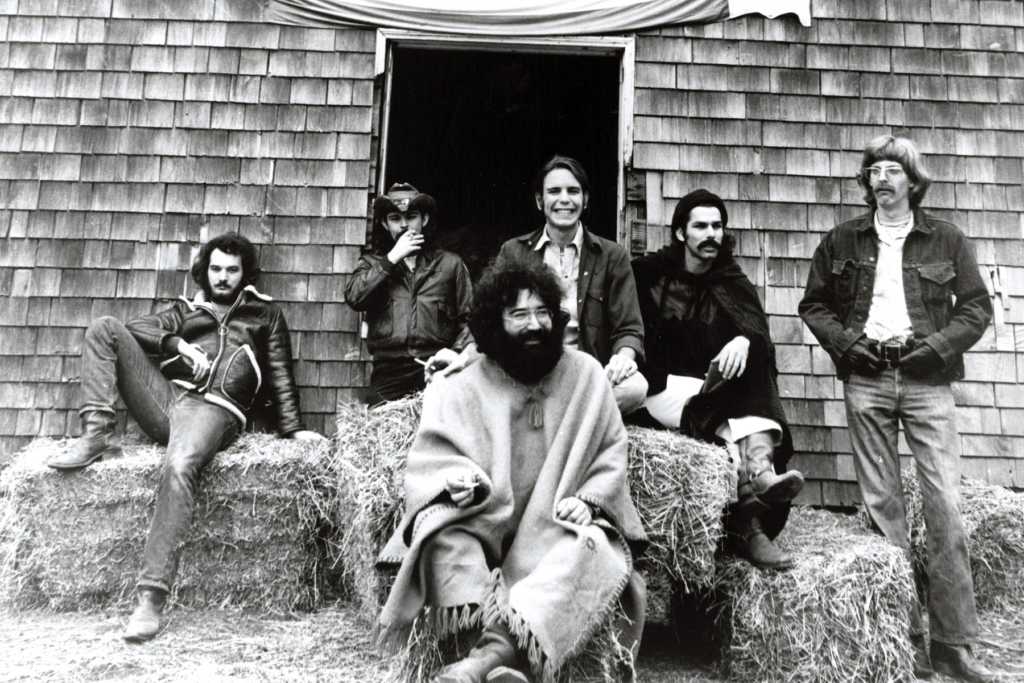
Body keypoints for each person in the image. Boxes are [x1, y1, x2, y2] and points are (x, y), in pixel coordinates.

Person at [375, 257, 647, 683]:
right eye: (518, 315)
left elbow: (611, 452)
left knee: (594, 547)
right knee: (440, 535)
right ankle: (501, 651)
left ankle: (485, 659)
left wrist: (589, 501)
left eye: (542, 312)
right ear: (494, 323)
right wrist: (457, 482)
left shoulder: (587, 377)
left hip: (557, 526)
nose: (534, 324)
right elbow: (435, 457)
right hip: (488, 525)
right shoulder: (464, 381)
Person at [48, 233, 324, 643]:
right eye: (216, 269)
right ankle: (96, 433)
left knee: (178, 466)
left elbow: (280, 372)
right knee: (106, 328)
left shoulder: (264, 314)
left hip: (214, 409)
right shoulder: (185, 310)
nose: (223, 277)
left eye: (232, 270)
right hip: (167, 399)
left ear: (246, 273)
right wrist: (177, 343)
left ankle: (150, 598)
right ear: (205, 271)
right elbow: (136, 328)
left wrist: (293, 429)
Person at [800, 136, 994, 683]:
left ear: (913, 181)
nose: (881, 179)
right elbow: (814, 303)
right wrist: (846, 344)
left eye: (892, 170)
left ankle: (953, 645)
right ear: (866, 182)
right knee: (884, 508)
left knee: (945, 505)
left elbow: (976, 309)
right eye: (874, 171)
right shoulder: (841, 240)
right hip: (867, 377)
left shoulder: (946, 238)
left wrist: (937, 347)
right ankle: (903, 637)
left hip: (928, 378)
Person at [631, 189, 803, 570]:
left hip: (709, 390)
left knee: (754, 362)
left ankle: (759, 473)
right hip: (661, 388)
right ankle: (753, 511)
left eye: (717, 226)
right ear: (681, 233)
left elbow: (758, 332)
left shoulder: (731, 280)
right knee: (733, 432)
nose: (712, 234)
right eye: (701, 226)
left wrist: (745, 340)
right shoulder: (648, 275)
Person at [440, 156, 645, 415]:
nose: (564, 199)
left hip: (588, 375)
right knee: (461, 380)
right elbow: (488, 318)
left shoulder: (612, 256)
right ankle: (571, 414)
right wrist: (463, 354)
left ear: (585, 199)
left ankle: (542, 413)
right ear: (540, 200)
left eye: (573, 191)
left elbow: (629, 329)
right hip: (527, 370)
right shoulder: (513, 251)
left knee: (635, 388)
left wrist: (624, 357)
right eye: (554, 191)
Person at [345, 183, 473, 406]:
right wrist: (392, 258)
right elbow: (355, 297)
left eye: (411, 216)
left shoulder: (450, 264)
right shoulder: (371, 264)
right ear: (385, 224)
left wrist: (454, 354)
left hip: (437, 367)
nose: (404, 225)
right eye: (395, 219)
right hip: (388, 372)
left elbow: (470, 320)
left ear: (424, 220)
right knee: (380, 425)